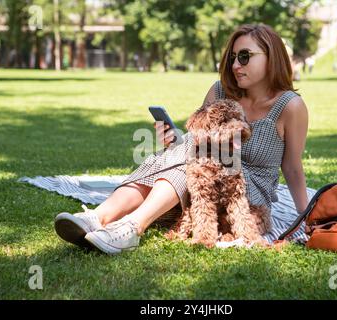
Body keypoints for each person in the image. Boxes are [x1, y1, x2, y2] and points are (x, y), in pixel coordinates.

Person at [54, 23, 309, 255]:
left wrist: (305, 216)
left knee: (194, 151)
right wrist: (174, 139)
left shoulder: (290, 106)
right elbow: (200, 138)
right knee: (191, 146)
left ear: (271, 56)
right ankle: (99, 218)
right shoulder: (220, 90)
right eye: (232, 57)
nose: (235, 65)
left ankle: (132, 227)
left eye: (244, 57)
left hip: (246, 195)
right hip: (202, 186)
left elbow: (293, 168)